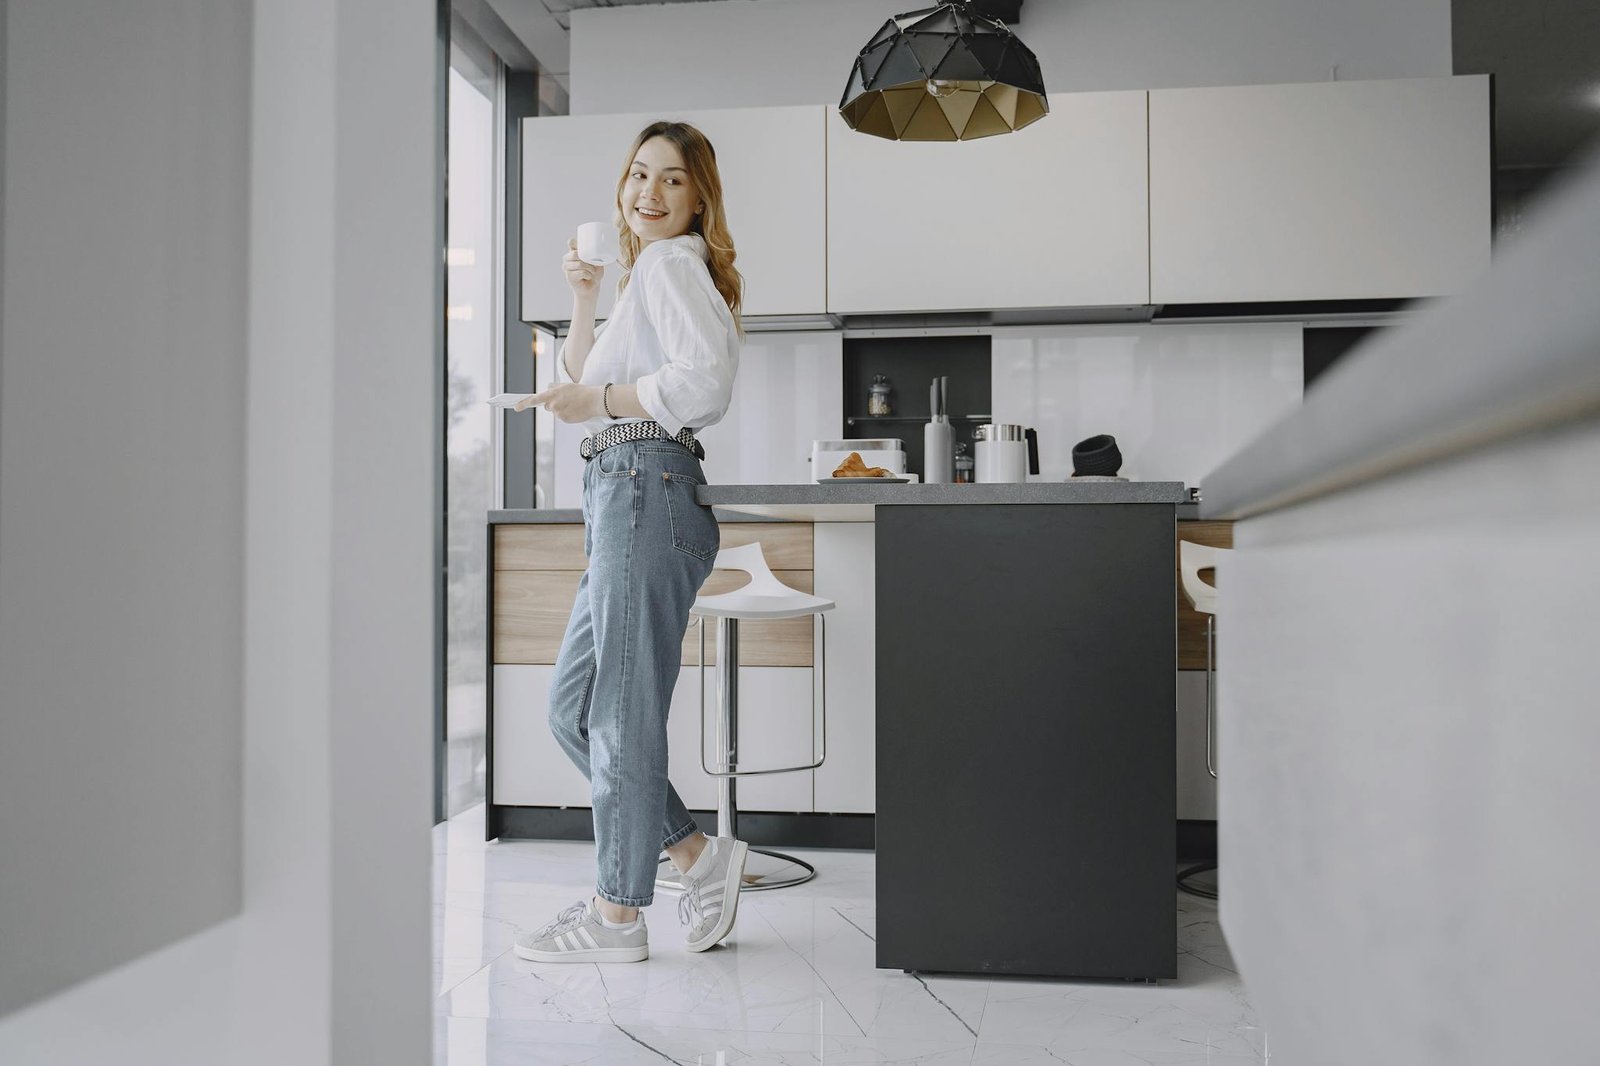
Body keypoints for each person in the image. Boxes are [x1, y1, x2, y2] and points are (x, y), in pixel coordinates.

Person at [510, 122, 747, 963]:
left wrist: (605, 403)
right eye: (639, 174)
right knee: (575, 709)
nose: (649, 191)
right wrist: (583, 297)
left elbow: (703, 383)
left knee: (617, 710)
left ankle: (618, 917)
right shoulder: (643, 275)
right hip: (624, 490)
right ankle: (697, 854)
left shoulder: (670, 264)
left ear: (698, 198)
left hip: (644, 482)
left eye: (672, 179)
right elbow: (578, 386)